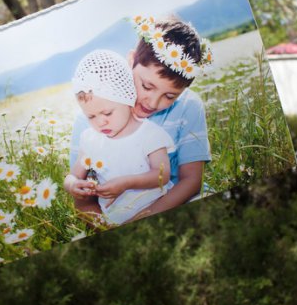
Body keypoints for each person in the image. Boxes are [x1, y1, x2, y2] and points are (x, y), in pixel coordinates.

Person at [67, 15, 213, 221]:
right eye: (146, 86)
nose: (152, 103)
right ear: (131, 60)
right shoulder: (94, 119)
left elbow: (191, 181)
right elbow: (83, 200)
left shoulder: (189, 106)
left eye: (170, 96)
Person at [64, 49, 175, 225]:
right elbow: (73, 176)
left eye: (107, 112)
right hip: (116, 219)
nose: (100, 122)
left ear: (128, 98)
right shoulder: (91, 140)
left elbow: (162, 175)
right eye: (91, 117)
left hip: (156, 208)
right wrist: (72, 185)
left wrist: (127, 183)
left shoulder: (149, 134)